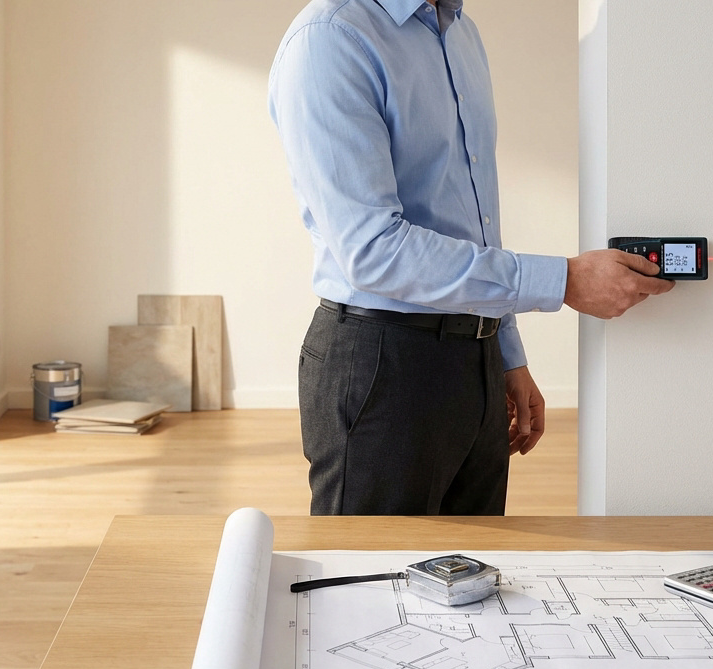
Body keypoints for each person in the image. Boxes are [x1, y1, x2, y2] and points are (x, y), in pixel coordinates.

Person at [268, 0, 671, 516]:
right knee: (373, 580)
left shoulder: (461, 34)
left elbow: (475, 221)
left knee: (472, 579)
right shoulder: (331, 39)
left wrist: (504, 350)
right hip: (382, 366)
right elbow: (372, 250)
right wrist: (564, 280)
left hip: (473, 360)